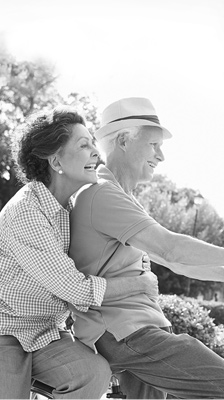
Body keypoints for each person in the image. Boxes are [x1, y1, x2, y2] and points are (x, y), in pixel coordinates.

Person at [69, 97, 224, 399]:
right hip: (125, 332)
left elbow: (178, 262)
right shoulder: (103, 195)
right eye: (153, 145)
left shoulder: (123, 198)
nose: (161, 156)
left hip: (135, 329)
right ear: (122, 140)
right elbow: (171, 248)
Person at [0, 106, 158, 400]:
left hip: (48, 331)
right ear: (56, 160)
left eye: (93, 144)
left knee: (94, 374)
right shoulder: (26, 212)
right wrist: (141, 284)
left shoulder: (71, 208)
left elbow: (104, 256)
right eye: (84, 145)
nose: (95, 153)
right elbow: (76, 289)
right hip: (5, 330)